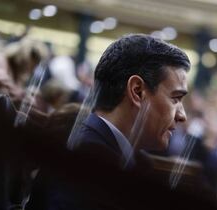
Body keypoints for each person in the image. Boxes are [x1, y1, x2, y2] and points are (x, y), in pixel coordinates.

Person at [26, 34, 194, 210]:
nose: (182, 116)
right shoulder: (87, 164)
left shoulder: (125, 159)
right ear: (137, 91)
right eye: (175, 98)